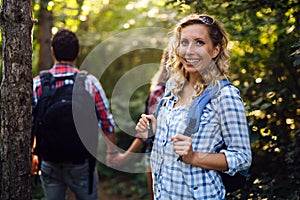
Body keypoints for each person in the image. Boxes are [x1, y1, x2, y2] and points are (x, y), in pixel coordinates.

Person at [135, 14, 252, 199]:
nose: (189, 51)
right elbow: (170, 140)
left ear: (215, 50)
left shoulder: (224, 95)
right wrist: (153, 129)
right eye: (184, 42)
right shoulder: (172, 89)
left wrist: (194, 157)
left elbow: (242, 157)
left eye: (199, 43)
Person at [32, 29, 117, 200]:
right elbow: (107, 123)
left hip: (50, 161)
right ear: (77, 53)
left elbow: (31, 123)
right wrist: (111, 152)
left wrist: (32, 154)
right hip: (82, 162)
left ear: (53, 51)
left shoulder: (38, 83)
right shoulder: (89, 83)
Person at [112, 49, 169, 200]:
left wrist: (124, 157)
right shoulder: (190, 91)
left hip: (155, 154)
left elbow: (146, 132)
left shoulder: (160, 91)